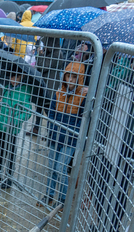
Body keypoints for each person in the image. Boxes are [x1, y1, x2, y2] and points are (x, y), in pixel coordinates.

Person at [41, 62, 88, 208]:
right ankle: (48, 194)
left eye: (75, 77)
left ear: (79, 79)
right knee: (51, 166)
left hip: (70, 140)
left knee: (61, 167)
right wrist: (50, 132)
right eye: (69, 76)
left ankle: (62, 199)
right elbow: (51, 114)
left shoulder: (83, 97)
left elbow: (84, 120)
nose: (71, 80)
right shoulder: (58, 94)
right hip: (56, 137)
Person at [0, 71, 32, 188]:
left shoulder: (24, 91)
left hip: (12, 128)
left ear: (21, 77)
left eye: (16, 77)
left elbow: (27, 111)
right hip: (2, 124)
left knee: (11, 153)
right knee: (0, 151)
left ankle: (9, 178)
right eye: (11, 77)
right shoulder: (6, 88)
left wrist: (15, 120)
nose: (13, 79)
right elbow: (4, 104)